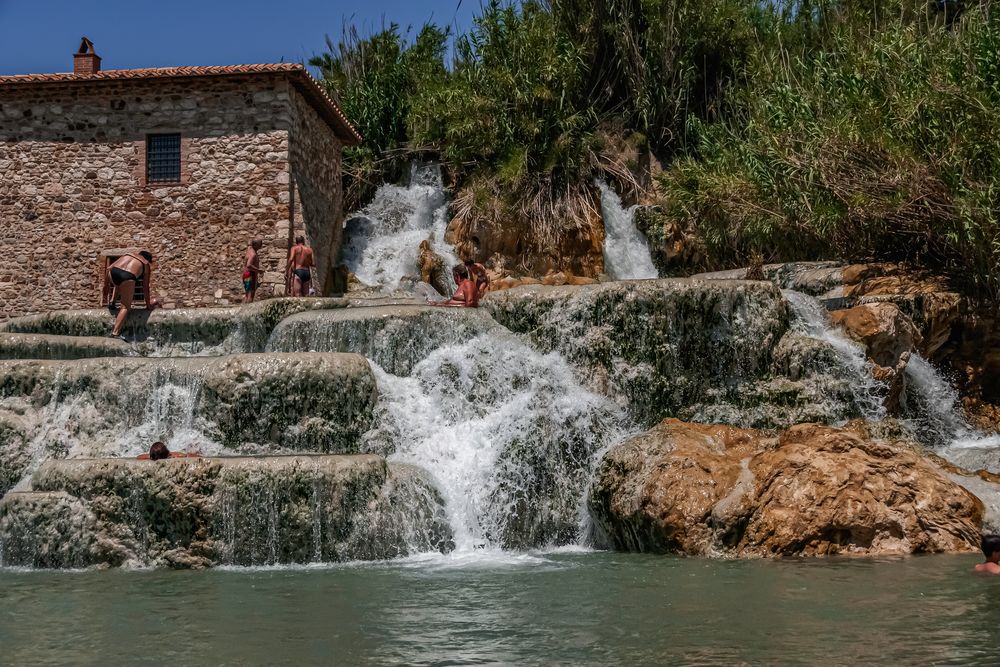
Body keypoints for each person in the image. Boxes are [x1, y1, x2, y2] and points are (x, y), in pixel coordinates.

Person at [107, 250, 158, 337]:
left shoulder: (128, 254)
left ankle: (112, 303)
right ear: (148, 260)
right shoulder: (145, 264)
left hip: (112, 272)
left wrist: (105, 288)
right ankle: (115, 333)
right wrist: (148, 305)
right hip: (128, 277)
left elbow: (109, 267)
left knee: (119, 284)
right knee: (125, 307)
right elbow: (145, 288)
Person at [243, 238, 263, 304]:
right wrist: (258, 270)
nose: (261, 245)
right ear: (256, 245)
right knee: (251, 294)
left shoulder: (250, 250)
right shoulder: (253, 254)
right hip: (250, 274)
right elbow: (249, 265)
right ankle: (248, 311)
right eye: (260, 243)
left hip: (246, 274)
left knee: (247, 293)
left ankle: (244, 310)